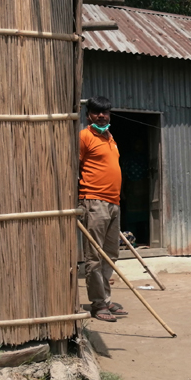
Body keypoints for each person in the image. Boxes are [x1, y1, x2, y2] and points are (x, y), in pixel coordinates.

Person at [79, 96, 128, 323]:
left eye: (105, 112)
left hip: (113, 202)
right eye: (97, 112)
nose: (101, 115)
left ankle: (106, 299)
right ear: (88, 115)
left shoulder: (110, 137)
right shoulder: (84, 136)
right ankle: (98, 304)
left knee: (110, 254)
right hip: (94, 201)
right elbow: (73, 167)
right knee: (94, 256)